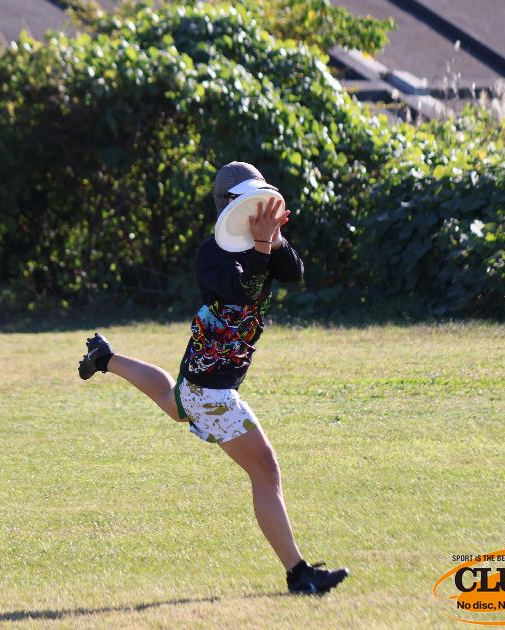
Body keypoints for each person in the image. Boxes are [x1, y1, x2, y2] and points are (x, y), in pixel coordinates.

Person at [77, 161, 349, 595]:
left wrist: (275, 240)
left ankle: (105, 358)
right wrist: (262, 245)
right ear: (229, 205)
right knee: (265, 470)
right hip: (212, 387)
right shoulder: (213, 253)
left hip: (205, 376)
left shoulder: (261, 244)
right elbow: (244, 290)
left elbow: (293, 273)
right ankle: (299, 574)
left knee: (175, 402)